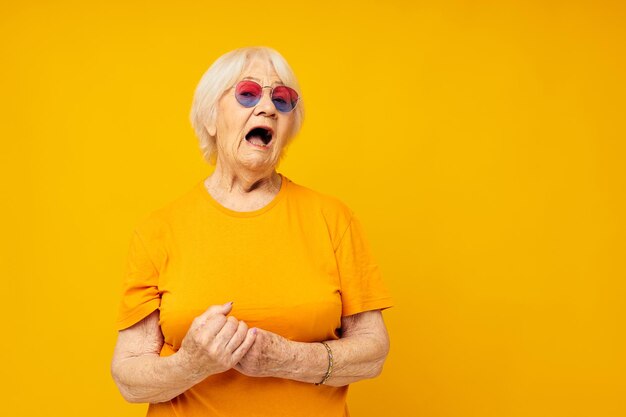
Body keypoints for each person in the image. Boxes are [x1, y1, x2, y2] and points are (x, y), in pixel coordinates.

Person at [110, 46, 394, 417]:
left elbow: (373, 352)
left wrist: (286, 358)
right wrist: (192, 363)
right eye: (247, 93)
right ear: (211, 118)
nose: (268, 108)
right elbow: (129, 377)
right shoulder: (158, 230)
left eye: (282, 98)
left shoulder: (332, 218)